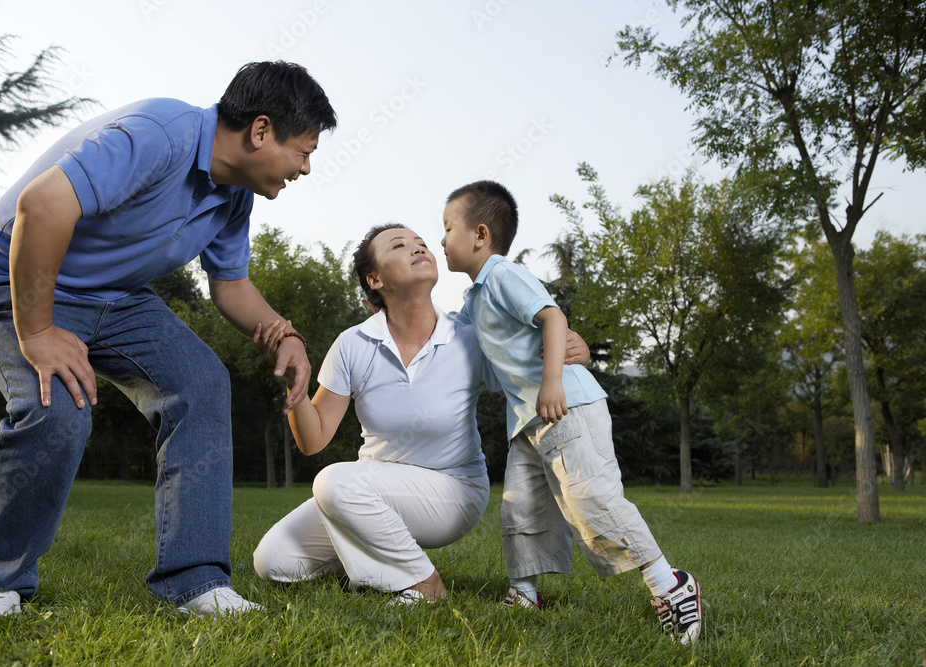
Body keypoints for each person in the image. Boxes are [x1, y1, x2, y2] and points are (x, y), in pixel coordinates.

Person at [0, 61, 336, 617]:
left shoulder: (234, 195)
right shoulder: (159, 134)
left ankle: (195, 583)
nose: (304, 168)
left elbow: (230, 286)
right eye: (303, 151)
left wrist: (286, 335)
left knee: (202, 381)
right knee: (57, 409)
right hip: (15, 271)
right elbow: (42, 206)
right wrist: (37, 332)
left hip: (117, 296)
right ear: (260, 131)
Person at [252, 223, 591, 603]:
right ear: (375, 279)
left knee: (334, 483)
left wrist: (572, 349)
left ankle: (422, 584)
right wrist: (295, 385)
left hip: (454, 492)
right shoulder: (353, 344)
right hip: (372, 489)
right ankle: (377, 559)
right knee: (274, 561)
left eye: (422, 244)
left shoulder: (470, 336)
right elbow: (313, 440)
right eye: (399, 245)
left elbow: (536, 364)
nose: (418, 249)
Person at [440, 181, 703, 644]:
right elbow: (448, 339)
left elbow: (552, 317)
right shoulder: (473, 299)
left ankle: (671, 585)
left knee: (591, 499)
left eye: (447, 229)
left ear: (480, 234)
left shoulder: (502, 273)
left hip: (565, 406)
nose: (441, 240)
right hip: (527, 421)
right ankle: (524, 592)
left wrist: (553, 380)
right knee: (521, 509)